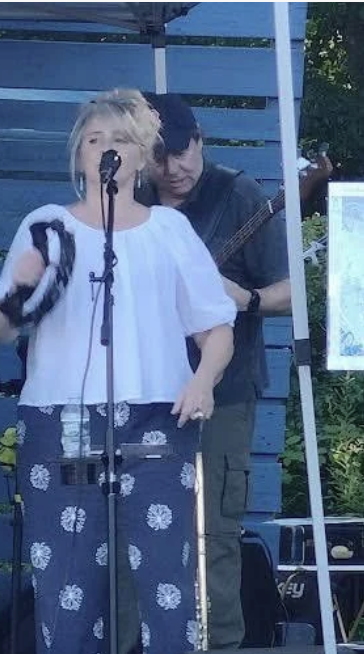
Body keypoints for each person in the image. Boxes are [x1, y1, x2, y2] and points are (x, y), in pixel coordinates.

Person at [0, 88, 235, 654]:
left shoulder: (169, 230)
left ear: (143, 155)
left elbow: (216, 328)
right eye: (95, 139)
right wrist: (18, 289)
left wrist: (203, 382)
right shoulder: (48, 226)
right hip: (62, 421)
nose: (107, 149)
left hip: (157, 418)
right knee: (66, 590)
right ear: (79, 154)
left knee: (167, 586)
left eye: (120, 139)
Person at [137, 93, 294, 650]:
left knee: (213, 533)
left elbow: (290, 291)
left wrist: (244, 298)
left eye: (183, 151)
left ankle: (219, 644)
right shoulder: (128, 200)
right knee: (136, 531)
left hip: (222, 394)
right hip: (142, 390)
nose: (174, 168)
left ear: (200, 139)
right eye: (159, 157)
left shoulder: (240, 195)